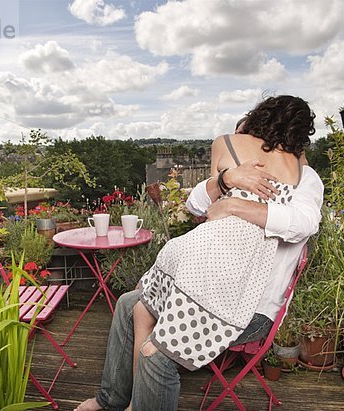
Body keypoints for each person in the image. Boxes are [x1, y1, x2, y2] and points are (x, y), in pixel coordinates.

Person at [75, 95, 324, 411]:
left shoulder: (306, 178)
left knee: (157, 352)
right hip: (210, 284)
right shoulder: (242, 166)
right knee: (128, 304)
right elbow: (196, 205)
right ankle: (111, 400)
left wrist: (236, 205)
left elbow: (302, 223)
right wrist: (226, 179)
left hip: (253, 308)